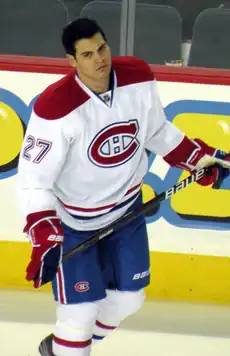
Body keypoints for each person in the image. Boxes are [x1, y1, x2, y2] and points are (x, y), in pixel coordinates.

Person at [18, 17, 230, 356]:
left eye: (102, 48)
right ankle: (71, 343)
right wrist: (43, 229)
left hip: (127, 212)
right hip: (74, 223)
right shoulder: (55, 107)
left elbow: (156, 132)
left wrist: (196, 159)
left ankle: (62, 349)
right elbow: (33, 179)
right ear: (72, 61)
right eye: (87, 54)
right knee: (80, 313)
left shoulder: (137, 77)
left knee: (130, 300)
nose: (99, 59)